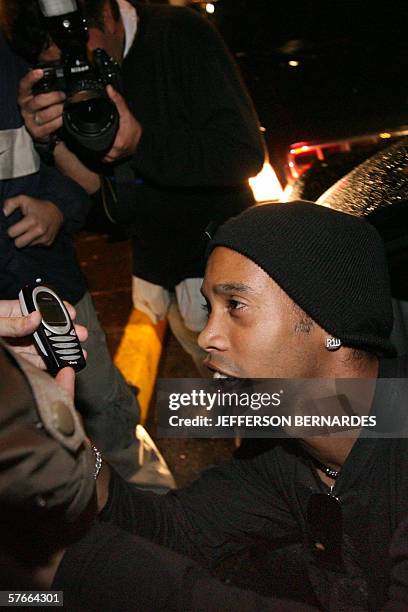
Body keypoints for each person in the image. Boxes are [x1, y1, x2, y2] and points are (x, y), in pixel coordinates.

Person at [4, 201, 408, 610]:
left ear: (331, 324)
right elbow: (176, 529)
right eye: (208, 308)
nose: (206, 337)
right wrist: (66, 443)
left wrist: (79, 570)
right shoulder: (285, 451)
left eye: (235, 306)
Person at [11, 0, 265, 376]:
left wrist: (140, 144)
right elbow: (107, 202)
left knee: (275, 395)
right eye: (54, 62)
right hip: (159, 269)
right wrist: (50, 141)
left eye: (77, 51)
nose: (74, 65)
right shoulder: (69, 77)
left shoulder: (177, 33)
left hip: (225, 264)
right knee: (227, 390)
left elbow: (242, 154)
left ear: (110, 14)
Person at [0, 29, 173, 488]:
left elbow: (82, 165)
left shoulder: (16, 54)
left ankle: (156, 521)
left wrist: (59, 206)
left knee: (107, 414)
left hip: (50, 286)